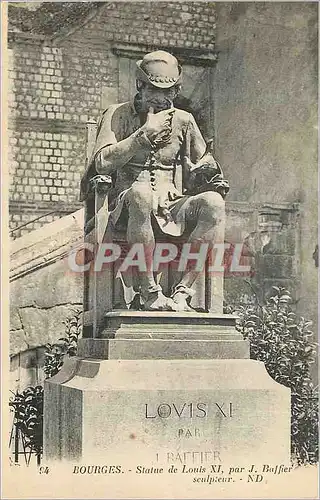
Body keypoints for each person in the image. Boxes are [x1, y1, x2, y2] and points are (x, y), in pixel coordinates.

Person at [80, 50, 229, 312]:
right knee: (141, 195)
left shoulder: (184, 120)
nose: (163, 98)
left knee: (214, 203)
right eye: (155, 91)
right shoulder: (118, 114)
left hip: (171, 205)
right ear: (140, 85)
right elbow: (101, 162)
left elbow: (207, 164)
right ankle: (149, 293)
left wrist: (203, 168)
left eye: (170, 92)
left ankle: (183, 291)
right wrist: (141, 136)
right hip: (126, 204)